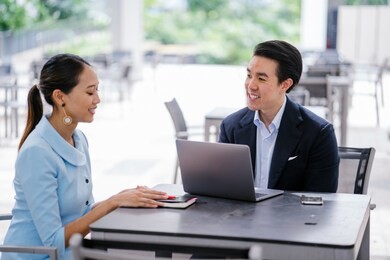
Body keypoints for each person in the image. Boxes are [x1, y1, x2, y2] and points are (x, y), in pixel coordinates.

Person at [1, 54, 168, 260]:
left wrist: (122, 198)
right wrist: (112, 203)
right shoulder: (37, 152)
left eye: (97, 90)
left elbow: (82, 212)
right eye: (90, 92)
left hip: (71, 251)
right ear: (60, 97)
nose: (97, 99)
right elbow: (54, 242)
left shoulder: (78, 139)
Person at [219, 40, 339, 192]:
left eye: (261, 78)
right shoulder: (231, 126)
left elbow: (321, 200)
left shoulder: (318, 133)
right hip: (241, 215)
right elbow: (222, 188)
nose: (251, 85)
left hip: (290, 215)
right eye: (249, 75)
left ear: (285, 84)